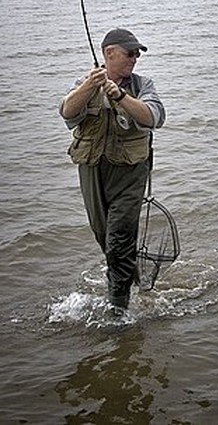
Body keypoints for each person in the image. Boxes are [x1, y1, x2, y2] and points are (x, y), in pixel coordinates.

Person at [60, 28, 166, 313]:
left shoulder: (143, 85)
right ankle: (129, 280)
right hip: (92, 170)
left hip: (130, 174)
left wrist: (119, 95)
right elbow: (67, 113)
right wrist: (88, 87)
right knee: (104, 235)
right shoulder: (85, 83)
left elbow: (154, 116)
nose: (135, 59)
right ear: (109, 54)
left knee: (118, 238)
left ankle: (118, 314)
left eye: (137, 54)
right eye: (130, 53)